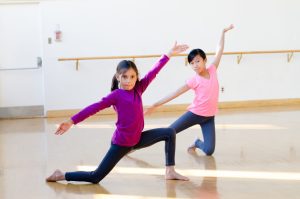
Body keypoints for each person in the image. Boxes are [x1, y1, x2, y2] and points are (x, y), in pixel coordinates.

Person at [46, 42, 189, 184]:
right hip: (122, 143)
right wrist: (71, 121)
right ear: (118, 76)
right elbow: (94, 108)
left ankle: (170, 171)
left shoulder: (138, 89)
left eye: (132, 77)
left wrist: (169, 53)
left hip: (137, 139)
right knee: (95, 177)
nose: (129, 81)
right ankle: (61, 175)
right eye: (125, 77)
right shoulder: (116, 95)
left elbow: (154, 71)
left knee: (169, 132)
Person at [145, 25, 234, 156]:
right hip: (194, 114)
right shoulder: (194, 80)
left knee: (209, 150)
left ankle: (197, 143)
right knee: (168, 131)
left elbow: (219, 50)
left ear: (204, 60)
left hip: (209, 117)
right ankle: (134, 146)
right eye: (192, 63)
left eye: (197, 61)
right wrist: (155, 104)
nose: (195, 65)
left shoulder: (213, 69)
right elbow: (175, 93)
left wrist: (222, 32)